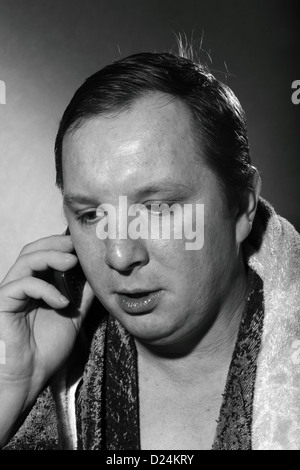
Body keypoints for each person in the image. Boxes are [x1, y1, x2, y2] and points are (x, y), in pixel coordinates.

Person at [0, 49, 299, 451]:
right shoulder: (45, 363)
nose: (119, 256)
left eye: (156, 209)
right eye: (91, 215)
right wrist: (10, 383)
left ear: (242, 206)